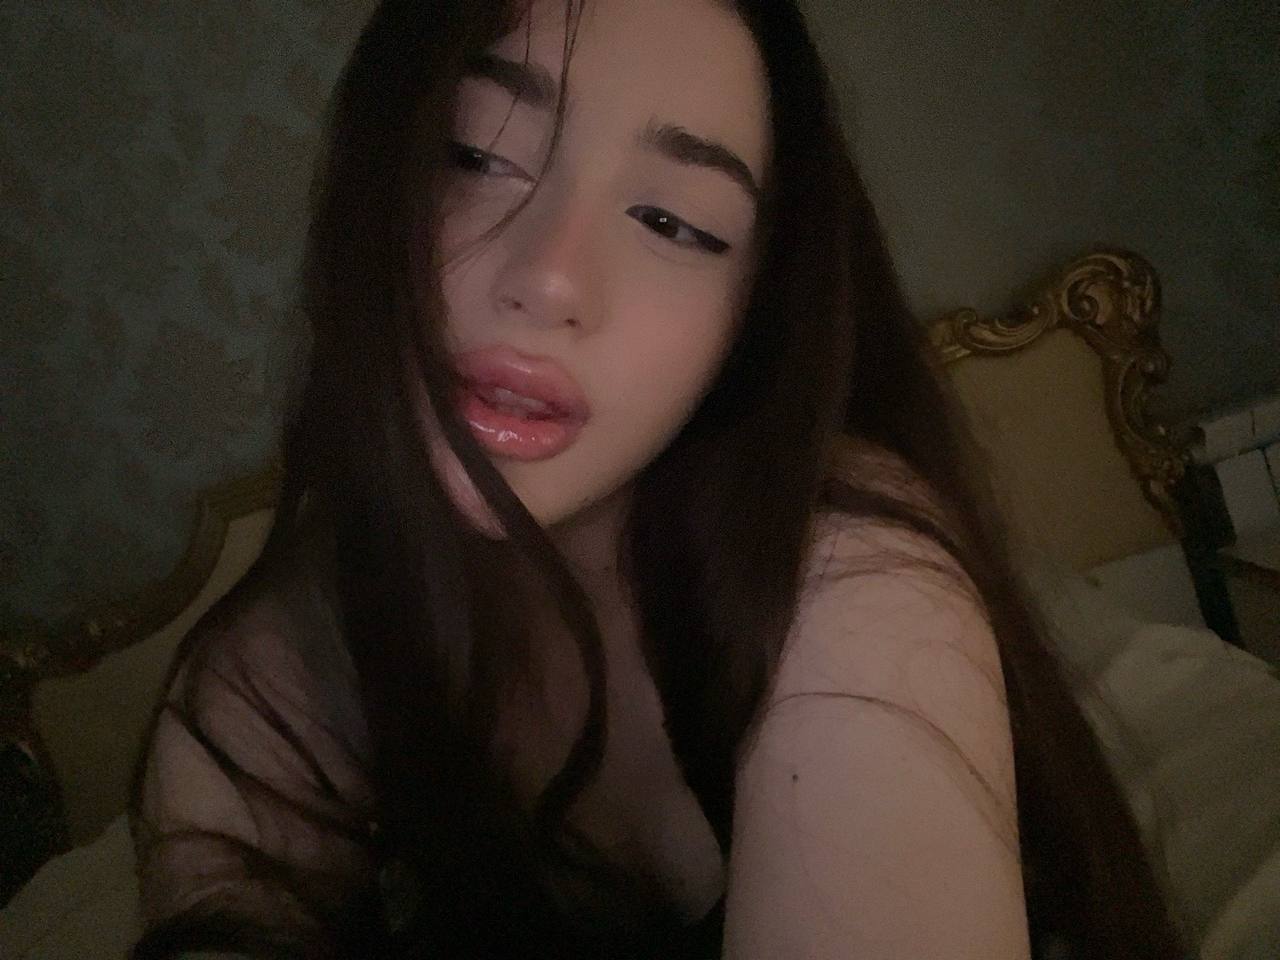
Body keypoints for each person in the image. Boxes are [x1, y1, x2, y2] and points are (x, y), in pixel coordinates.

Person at [128, 0, 1187, 957]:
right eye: (475, 153)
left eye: (676, 223)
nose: (552, 278)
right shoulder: (271, 682)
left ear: (747, 318)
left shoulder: (848, 565)